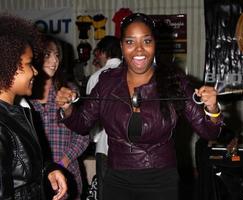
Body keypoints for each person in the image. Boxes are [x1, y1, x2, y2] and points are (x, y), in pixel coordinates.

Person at [56, 13, 223, 200]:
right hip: (116, 178)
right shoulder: (107, 82)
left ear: (155, 44)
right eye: (130, 42)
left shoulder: (174, 82)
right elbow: (81, 124)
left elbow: (210, 132)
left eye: (146, 41)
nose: (139, 50)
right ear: (121, 46)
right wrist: (67, 107)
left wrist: (213, 108)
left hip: (161, 180)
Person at [0, 13, 67, 199]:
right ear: (9, 66)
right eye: (30, 64)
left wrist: (49, 170)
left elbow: (22, 168)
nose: (35, 71)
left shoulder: (17, 112)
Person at [29, 35, 90, 200]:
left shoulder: (68, 90)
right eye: (48, 54)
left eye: (57, 55)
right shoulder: (25, 93)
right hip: (35, 177)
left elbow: (83, 136)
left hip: (67, 173)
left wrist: (63, 161)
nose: (54, 60)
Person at [85, 35, 122, 199]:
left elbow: (90, 116)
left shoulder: (96, 77)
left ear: (104, 53)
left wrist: (96, 138)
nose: (96, 57)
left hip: (104, 146)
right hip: (133, 149)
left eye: (98, 53)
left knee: (106, 193)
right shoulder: (132, 73)